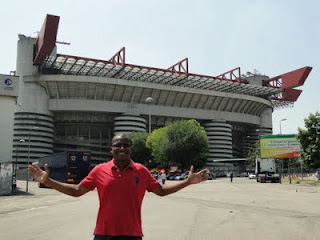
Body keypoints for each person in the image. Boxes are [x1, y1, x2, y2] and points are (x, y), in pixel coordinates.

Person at [28, 133, 209, 240]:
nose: (122, 148)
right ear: (111, 149)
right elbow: (77, 191)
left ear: (131, 149)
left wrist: (187, 182)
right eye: (117, 145)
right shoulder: (100, 170)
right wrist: (48, 182)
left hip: (132, 234)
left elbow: (160, 191)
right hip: (103, 235)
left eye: (126, 145)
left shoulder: (141, 171)